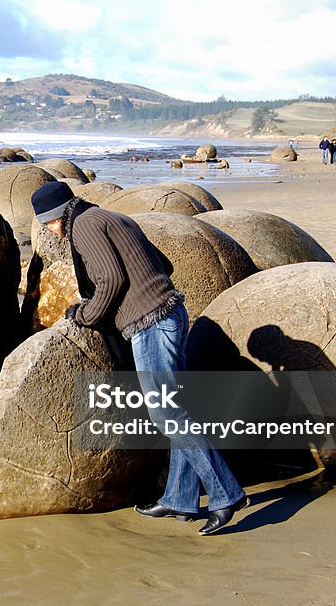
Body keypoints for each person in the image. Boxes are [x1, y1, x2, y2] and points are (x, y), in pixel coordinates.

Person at [30, 181, 248, 535]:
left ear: (58, 216)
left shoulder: (83, 226)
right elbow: (164, 264)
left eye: (49, 224)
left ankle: (226, 494)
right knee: (179, 410)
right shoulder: (111, 216)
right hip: (171, 314)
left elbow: (112, 279)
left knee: (168, 414)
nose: (51, 231)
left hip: (151, 325)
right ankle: (179, 497)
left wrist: (84, 314)